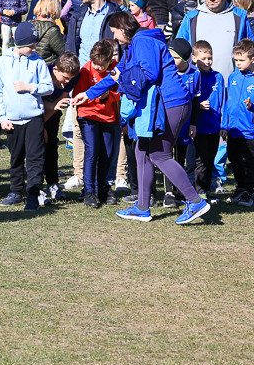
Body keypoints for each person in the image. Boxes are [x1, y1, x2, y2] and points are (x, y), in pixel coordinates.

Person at [76, 12, 210, 224]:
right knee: (142, 152)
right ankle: (142, 207)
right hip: (164, 104)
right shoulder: (133, 46)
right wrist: (90, 93)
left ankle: (195, 202)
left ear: (122, 28)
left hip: (171, 103)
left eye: (114, 32)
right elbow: (116, 75)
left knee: (159, 155)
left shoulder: (143, 41)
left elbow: (150, 74)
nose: (115, 39)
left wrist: (125, 78)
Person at [0, 23, 53, 210]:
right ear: (19, 43)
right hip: (12, 120)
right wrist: (2, 117)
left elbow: (48, 87)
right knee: (15, 157)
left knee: (35, 157)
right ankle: (15, 192)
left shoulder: (38, 62)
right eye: (31, 45)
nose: (35, 48)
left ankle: (34, 193)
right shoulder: (2, 63)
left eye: (36, 45)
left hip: (33, 118)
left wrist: (30, 88)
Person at [176, 0, 254, 79]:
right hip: (199, 83)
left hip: (231, 83)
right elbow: (179, 49)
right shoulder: (191, 18)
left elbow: (250, 47)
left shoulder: (239, 17)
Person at [72, 39, 120, 208]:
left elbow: (121, 92)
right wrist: (95, 99)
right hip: (88, 115)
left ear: (110, 60)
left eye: (102, 65)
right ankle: (89, 191)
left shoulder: (116, 69)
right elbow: (79, 96)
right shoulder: (86, 69)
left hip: (108, 117)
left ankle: (103, 188)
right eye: (96, 64)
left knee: (107, 153)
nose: (98, 68)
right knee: (92, 151)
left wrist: (109, 96)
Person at [222, 38, 254, 207]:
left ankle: (248, 191)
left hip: (250, 131)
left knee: (249, 162)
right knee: (234, 159)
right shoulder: (233, 77)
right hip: (234, 130)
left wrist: (252, 106)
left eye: (242, 60)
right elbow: (229, 103)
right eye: (236, 60)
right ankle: (241, 188)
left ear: (252, 59)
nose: (238, 63)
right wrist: (224, 126)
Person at [191, 40, 224, 197]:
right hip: (199, 126)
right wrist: (197, 107)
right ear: (194, 58)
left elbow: (223, 101)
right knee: (201, 160)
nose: (207, 61)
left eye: (209, 58)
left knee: (211, 158)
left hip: (214, 126)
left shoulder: (218, 77)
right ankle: (199, 190)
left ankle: (207, 189)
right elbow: (187, 100)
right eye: (203, 58)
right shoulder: (193, 75)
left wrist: (223, 124)